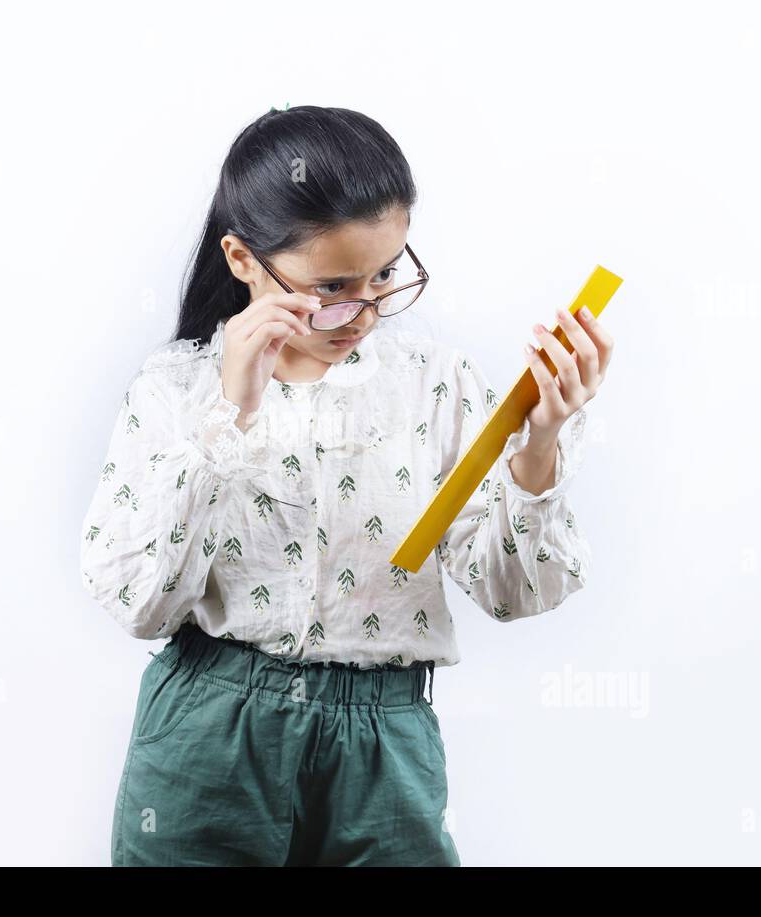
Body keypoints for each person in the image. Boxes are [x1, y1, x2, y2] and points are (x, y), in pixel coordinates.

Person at [80, 105, 614, 866]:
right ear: (241, 259)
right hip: (206, 738)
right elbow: (139, 602)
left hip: (384, 748)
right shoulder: (173, 391)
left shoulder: (433, 386)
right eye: (332, 286)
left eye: (387, 275)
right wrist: (225, 419)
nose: (364, 312)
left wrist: (541, 444)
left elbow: (513, 595)